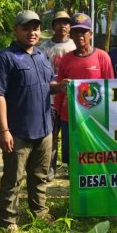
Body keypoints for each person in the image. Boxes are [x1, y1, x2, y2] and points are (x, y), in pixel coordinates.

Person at [0, 10, 64, 233]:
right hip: (18, 131)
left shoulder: (42, 56)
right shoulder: (5, 58)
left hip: (44, 128)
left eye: (35, 28)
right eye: (26, 28)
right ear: (16, 30)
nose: (32, 32)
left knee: (40, 175)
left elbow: (47, 84)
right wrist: (4, 130)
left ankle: (39, 212)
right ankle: (8, 221)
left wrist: (60, 86)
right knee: (13, 179)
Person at [54, 13, 115, 167]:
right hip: (70, 116)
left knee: (94, 156)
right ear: (71, 34)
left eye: (83, 31)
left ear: (91, 34)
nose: (80, 35)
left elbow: (110, 88)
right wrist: (58, 115)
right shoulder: (66, 59)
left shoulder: (102, 57)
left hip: (95, 117)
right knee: (73, 158)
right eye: (76, 32)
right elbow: (61, 89)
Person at [38, 11, 75, 182]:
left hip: (71, 100)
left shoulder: (75, 45)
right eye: (59, 22)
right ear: (53, 26)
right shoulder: (43, 48)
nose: (63, 26)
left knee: (71, 136)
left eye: (66, 22)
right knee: (51, 135)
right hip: (50, 98)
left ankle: (71, 167)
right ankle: (49, 167)